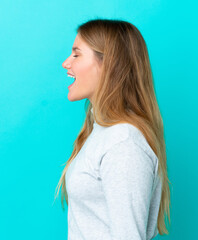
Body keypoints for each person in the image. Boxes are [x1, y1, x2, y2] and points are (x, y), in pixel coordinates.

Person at [55, 18, 171, 240]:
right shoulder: (102, 132)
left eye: (76, 54)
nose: (66, 63)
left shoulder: (123, 143)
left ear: (108, 64)